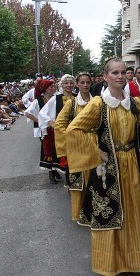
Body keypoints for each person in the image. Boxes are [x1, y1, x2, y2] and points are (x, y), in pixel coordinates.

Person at [65, 58, 140, 276]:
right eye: (115, 73)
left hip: (131, 164)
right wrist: (97, 152)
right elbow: (73, 130)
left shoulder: (134, 102)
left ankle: (132, 259)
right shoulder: (98, 104)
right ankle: (109, 263)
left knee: (132, 209)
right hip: (107, 169)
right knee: (109, 213)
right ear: (105, 77)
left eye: (123, 72)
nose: (120, 76)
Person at [54, 72, 94, 221]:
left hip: (94, 145)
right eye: (82, 82)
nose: (85, 85)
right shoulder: (72, 103)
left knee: (94, 179)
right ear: (77, 84)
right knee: (80, 180)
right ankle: (80, 212)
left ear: (91, 84)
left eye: (87, 82)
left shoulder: (97, 101)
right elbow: (59, 125)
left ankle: (93, 212)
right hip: (77, 146)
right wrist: (70, 141)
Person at [38, 74, 76, 180]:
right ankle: (68, 179)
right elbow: (43, 112)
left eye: (71, 83)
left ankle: (73, 179)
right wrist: (51, 123)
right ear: (62, 85)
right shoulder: (56, 98)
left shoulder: (78, 97)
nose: (69, 85)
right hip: (62, 132)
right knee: (64, 156)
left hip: (75, 132)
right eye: (66, 83)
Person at [24, 80, 58, 183]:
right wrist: (40, 121)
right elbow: (27, 113)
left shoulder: (56, 98)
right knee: (48, 150)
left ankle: (55, 169)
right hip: (43, 130)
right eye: (51, 86)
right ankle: (51, 172)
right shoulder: (38, 100)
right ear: (46, 88)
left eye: (54, 86)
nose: (54, 88)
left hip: (55, 127)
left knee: (56, 149)